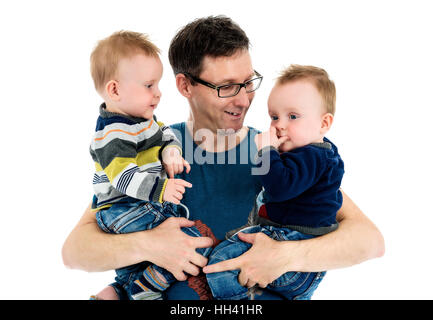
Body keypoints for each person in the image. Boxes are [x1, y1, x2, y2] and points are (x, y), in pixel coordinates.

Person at [62, 16, 385, 300]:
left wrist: (286, 257)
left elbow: (369, 241)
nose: (244, 100)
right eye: (228, 87)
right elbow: (75, 251)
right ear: (185, 85)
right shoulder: (153, 147)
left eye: (248, 82)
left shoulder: (278, 152)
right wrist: (148, 245)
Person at [87, 30, 211, 300]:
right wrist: (162, 190)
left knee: (142, 262)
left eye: (157, 85)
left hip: (137, 207)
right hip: (121, 209)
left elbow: (165, 134)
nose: (158, 94)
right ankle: (143, 291)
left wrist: (171, 152)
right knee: (186, 241)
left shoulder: (144, 121)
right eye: (148, 86)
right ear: (115, 90)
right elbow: (123, 177)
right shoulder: (113, 134)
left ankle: (118, 291)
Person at [205, 65, 344, 300]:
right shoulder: (316, 153)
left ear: (324, 124)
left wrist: (267, 151)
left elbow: (279, 187)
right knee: (230, 244)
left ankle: (234, 297)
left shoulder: (312, 156)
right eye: (274, 117)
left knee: (222, 261)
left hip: (297, 247)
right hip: (293, 250)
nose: (280, 125)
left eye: (293, 116)